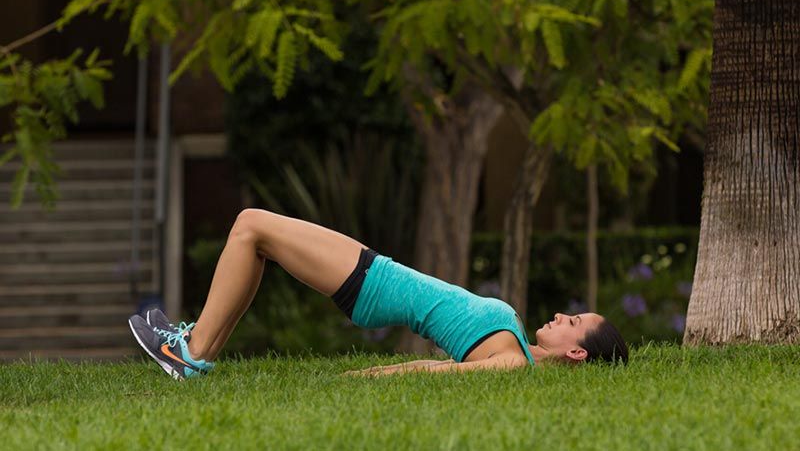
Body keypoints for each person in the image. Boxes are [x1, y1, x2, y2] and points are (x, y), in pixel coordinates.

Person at [128, 209, 628, 380]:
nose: (564, 314)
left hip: (373, 283)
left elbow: (438, 374)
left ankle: (188, 353)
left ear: (578, 352)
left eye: (575, 321)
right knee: (257, 239)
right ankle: (196, 353)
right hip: (378, 272)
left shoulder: (517, 365)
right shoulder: (524, 349)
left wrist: (364, 376)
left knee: (250, 226)